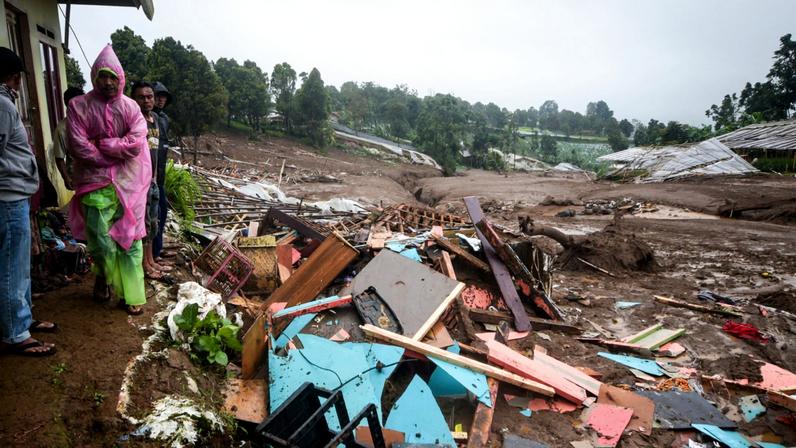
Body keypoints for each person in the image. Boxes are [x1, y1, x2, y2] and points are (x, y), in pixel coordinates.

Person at [67, 45, 151, 315]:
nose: (107, 82)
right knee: (101, 242)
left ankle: (131, 293)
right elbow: (79, 146)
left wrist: (104, 144)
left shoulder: (131, 108)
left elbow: (136, 143)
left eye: (113, 77)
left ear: (121, 79)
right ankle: (104, 278)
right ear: (94, 77)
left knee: (130, 240)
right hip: (94, 183)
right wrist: (113, 155)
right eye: (102, 76)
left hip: (130, 184)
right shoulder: (78, 106)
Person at [0, 46, 57, 356]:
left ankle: (22, 318)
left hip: (14, 195)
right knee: (11, 266)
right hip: (8, 196)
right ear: (13, 78)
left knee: (18, 265)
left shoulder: (4, 104)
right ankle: (15, 334)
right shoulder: (3, 106)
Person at [130, 81, 170, 279]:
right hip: (139, 182)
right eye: (141, 97)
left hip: (154, 180)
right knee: (144, 224)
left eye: (149, 97)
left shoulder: (155, 118)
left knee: (153, 222)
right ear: (134, 99)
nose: (147, 101)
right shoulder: (134, 121)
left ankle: (151, 260)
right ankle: (145, 265)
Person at [152, 81, 173, 261]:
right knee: (154, 214)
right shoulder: (148, 118)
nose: (160, 100)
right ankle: (153, 253)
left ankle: (158, 249)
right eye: (158, 96)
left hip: (160, 173)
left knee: (162, 212)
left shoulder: (165, 119)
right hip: (149, 172)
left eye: (163, 97)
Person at [52, 87, 85, 191]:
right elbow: (59, 157)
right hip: (78, 177)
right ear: (68, 104)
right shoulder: (62, 128)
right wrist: (66, 178)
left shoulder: (92, 122)